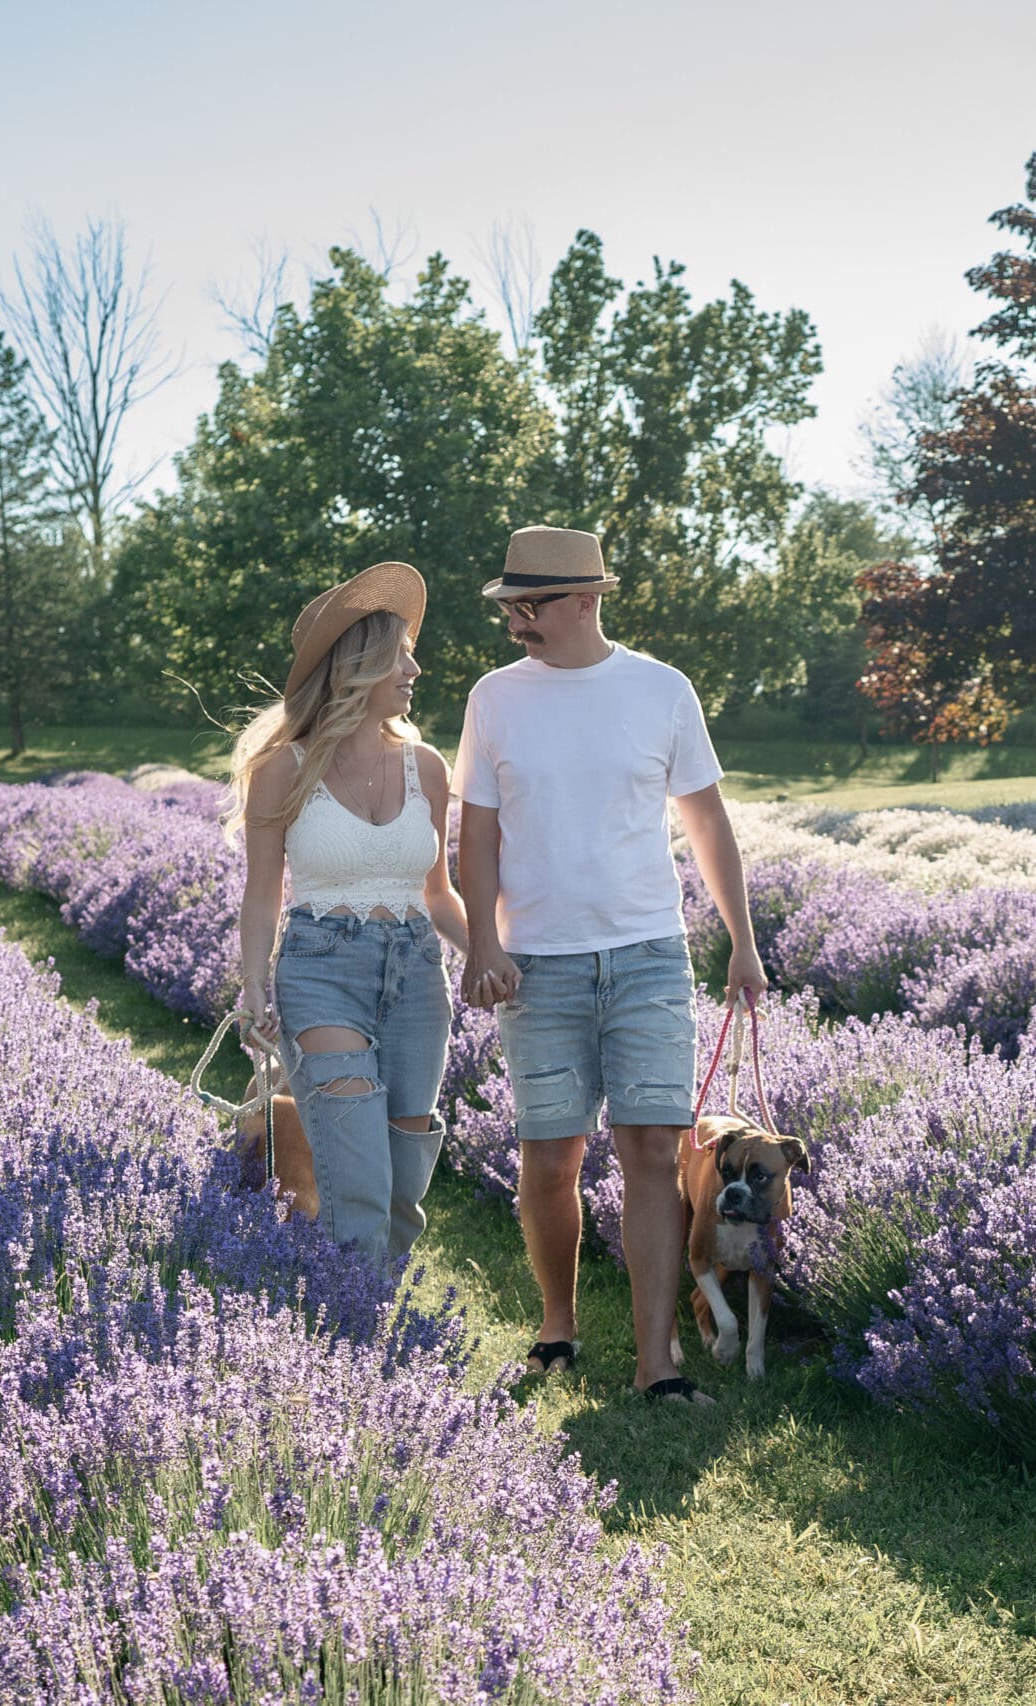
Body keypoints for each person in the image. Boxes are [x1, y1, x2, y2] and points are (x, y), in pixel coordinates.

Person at [455, 526, 766, 1406]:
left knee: (654, 1154)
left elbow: (708, 822)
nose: (517, 621)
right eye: (510, 606)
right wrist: (483, 939)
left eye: (532, 605)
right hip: (536, 964)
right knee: (550, 1157)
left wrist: (741, 940)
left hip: (647, 957)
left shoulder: (660, 690)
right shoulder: (494, 698)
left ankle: (657, 1364)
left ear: (586, 600)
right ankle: (559, 1323)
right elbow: (475, 829)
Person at [231, 561, 484, 1263]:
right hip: (321, 973)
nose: (415, 667)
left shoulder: (427, 767)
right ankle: (355, 1335)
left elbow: (438, 894)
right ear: (357, 665)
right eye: (399, 653)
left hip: (416, 975)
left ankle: (366, 1312)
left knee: (404, 1184)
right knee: (361, 1181)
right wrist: (253, 988)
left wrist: (489, 958)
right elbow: (261, 895)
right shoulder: (284, 768)